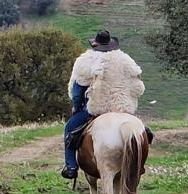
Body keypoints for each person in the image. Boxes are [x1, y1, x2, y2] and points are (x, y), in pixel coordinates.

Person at [61, 30, 147, 180]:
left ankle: (71, 167)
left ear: (96, 44)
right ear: (111, 44)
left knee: (69, 129)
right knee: (146, 133)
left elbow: (77, 92)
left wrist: (77, 106)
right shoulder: (126, 60)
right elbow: (138, 87)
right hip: (123, 109)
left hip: (96, 110)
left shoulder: (86, 61)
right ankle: (139, 164)